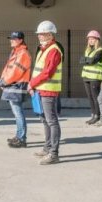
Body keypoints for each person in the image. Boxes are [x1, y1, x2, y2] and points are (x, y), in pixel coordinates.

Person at [28, 20, 63, 165]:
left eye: (42, 34)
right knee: (45, 120)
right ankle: (47, 148)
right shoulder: (44, 49)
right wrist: (33, 85)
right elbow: (39, 71)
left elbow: (48, 72)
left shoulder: (53, 50)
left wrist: (32, 83)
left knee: (51, 121)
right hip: (41, 89)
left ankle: (53, 153)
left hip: (48, 90)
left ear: (50, 35)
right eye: (39, 34)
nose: (39, 36)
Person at [0, 32, 32, 148]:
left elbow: (16, 71)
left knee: (18, 113)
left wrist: (5, 81)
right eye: (11, 38)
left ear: (21, 40)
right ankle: (19, 136)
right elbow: (8, 68)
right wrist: (2, 80)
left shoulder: (22, 53)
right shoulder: (16, 52)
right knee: (17, 112)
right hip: (13, 85)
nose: (11, 40)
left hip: (16, 86)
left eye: (14, 39)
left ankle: (21, 139)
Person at [79, 30, 102, 124]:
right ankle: (93, 114)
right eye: (89, 39)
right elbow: (81, 60)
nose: (90, 40)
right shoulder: (88, 50)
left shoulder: (99, 50)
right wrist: (87, 60)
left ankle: (97, 115)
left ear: (97, 40)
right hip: (86, 77)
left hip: (95, 77)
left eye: (93, 39)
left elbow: (92, 61)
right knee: (90, 97)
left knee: (95, 97)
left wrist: (87, 60)